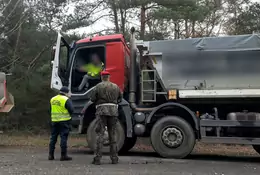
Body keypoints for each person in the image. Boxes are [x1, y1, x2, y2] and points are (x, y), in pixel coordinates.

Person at [90, 70, 122, 165]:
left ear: (101, 77)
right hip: (113, 111)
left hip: (101, 111)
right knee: (112, 134)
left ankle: (97, 159)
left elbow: (92, 99)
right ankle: (114, 158)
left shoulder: (98, 86)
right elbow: (120, 98)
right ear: (109, 77)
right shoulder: (115, 86)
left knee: (100, 134)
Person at [48, 86, 74, 161]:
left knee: (53, 138)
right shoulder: (66, 99)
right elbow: (71, 110)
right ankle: (63, 155)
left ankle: (51, 155)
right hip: (64, 121)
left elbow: (50, 110)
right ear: (66, 92)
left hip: (54, 121)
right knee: (63, 138)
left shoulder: (52, 99)